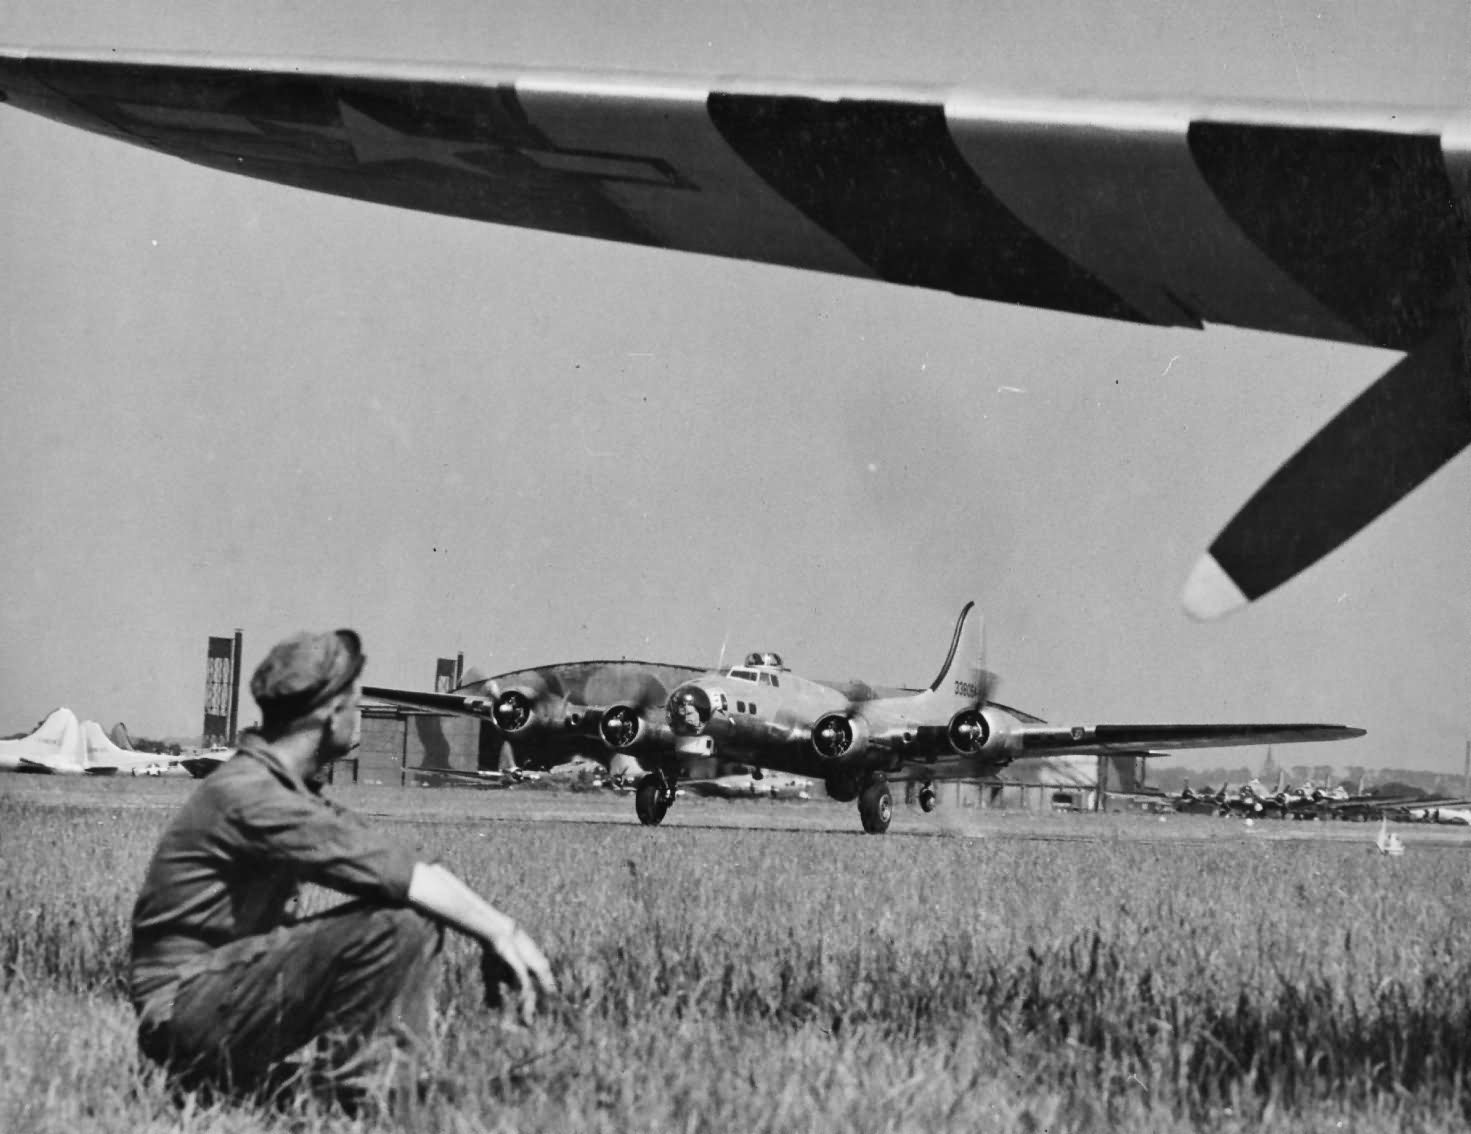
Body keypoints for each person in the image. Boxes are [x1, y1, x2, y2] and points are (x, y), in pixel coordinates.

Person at [129, 628, 555, 1102]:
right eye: (354, 704)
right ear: (332, 713)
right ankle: (367, 1102)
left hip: (206, 999)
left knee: (410, 910)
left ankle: (246, 1088)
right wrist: (500, 932)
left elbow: (397, 861)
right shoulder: (253, 795)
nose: (358, 717)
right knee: (400, 922)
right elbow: (401, 876)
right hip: (182, 1010)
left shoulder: (276, 790)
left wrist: (489, 925)